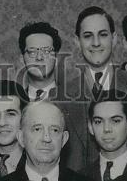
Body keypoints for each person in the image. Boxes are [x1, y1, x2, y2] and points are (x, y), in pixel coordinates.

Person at [64, 7, 127, 169]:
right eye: (88, 36)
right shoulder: (59, 96)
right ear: (77, 41)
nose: (96, 43)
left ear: (114, 38)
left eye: (103, 35)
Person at [17, 21, 85, 169]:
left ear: (56, 57)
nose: (40, 58)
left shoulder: (76, 103)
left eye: (47, 51)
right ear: (23, 58)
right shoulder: (15, 103)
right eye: (32, 52)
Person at [81, 92, 127, 181]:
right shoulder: (80, 178)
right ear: (90, 127)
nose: (106, 129)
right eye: (98, 121)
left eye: (115, 121)